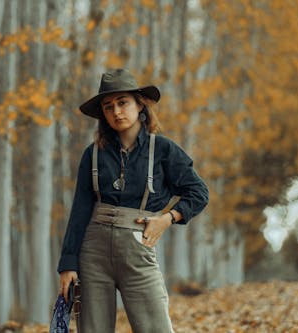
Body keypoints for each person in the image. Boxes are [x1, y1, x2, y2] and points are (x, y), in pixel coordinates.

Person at [57, 68, 209, 332]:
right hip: (93, 253)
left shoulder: (164, 150)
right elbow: (80, 209)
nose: (116, 111)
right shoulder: (93, 154)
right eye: (108, 106)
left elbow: (198, 192)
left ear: (140, 104)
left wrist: (167, 218)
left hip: (138, 247)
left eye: (122, 102)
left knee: (156, 328)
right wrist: (68, 264)